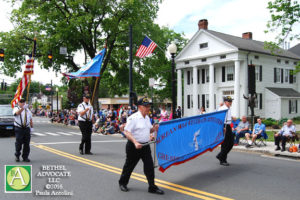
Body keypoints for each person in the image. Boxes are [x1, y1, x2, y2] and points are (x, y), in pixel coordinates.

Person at [118, 97, 164, 195]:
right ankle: (123, 183)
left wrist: (154, 129)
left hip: (145, 146)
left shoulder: (147, 118)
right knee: (129, 166)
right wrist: (135, 142)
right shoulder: (133, 118)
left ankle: (152, 186)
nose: (148, 108)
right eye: (146, 106)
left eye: (149, 106)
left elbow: (148, 130)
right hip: (134, 146)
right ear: (139, 107)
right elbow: (127, 132)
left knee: (149, 167)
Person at [13, 98, 33, 162]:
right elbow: (17, 113)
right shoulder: (16, 108)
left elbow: (30, 119)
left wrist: (32, 128)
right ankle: (17, 156)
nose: (22, 103)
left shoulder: (28, 110)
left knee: (27, 144)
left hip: (26, 128)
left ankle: (25, 157)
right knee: (19, 143)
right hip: (19, 128)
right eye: (21, 102)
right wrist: (22, 108)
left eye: (23, 102)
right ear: (18, 103)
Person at [216, 96, 234, 166]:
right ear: (225, 102)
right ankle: (222, 160)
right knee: (225, 144)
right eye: (229, 101)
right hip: (224, 126)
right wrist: (222, 127)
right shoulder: (222, 108)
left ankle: (220, 155)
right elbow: (219, 118)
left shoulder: (228, 108)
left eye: (231, 101)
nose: (230, 103)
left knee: (231, 143)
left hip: (228, 126)